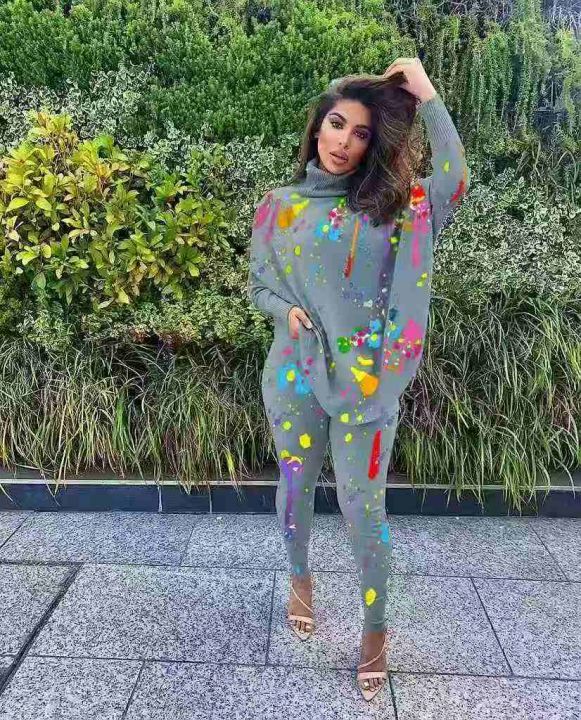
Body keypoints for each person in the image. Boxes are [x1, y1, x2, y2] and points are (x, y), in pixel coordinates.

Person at [247, 57, 470, 701]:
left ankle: (375, 631)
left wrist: (427, 95)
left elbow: (453, 179)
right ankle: (300, 580)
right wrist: (282, 311)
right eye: (336, 124)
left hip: (367, 386)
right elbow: (259, 284)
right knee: (294, 489)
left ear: (374, 145)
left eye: (361, 133)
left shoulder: (393, 209)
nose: (343, 141)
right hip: (292, 373)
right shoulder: (278, 207)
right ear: (317, 127)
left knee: (361, 507)